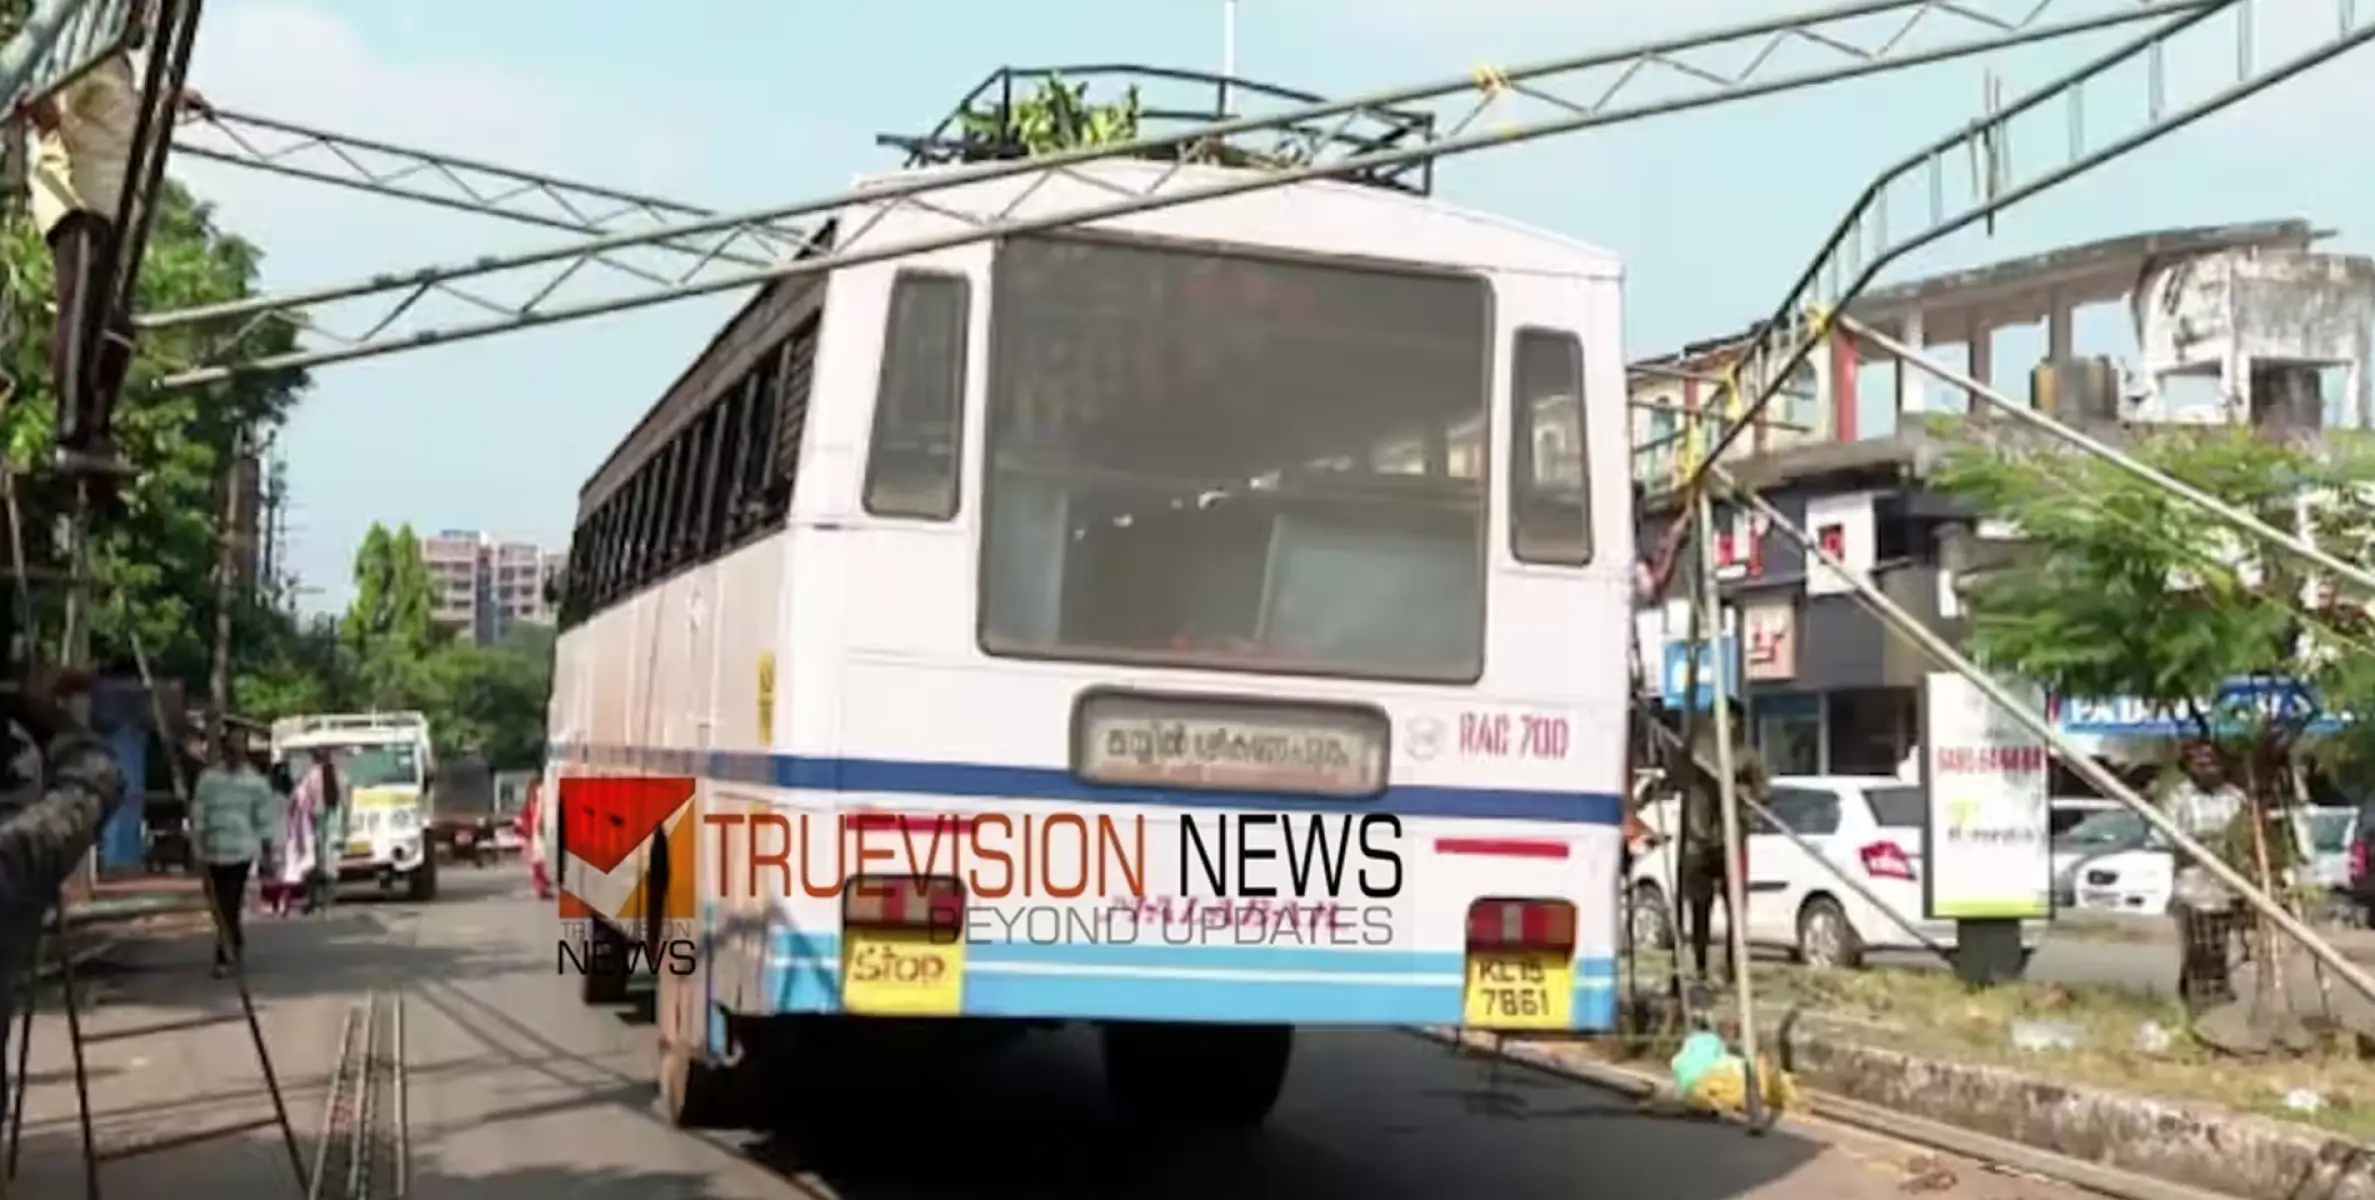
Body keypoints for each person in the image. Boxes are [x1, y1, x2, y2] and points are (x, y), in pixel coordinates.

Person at [16, 0, 209, 474]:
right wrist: (36, 109)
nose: (146, 21)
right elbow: (53, 107)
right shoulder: (93, 57)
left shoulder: (120, 71)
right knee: (80, 308)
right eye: (142, 10)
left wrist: (167, 103)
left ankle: (97, 433)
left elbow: (125, 128)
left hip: (109, 208)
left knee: (115, 329)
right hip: (76, 201)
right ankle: (71, 428)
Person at [1668, 699, 1767, 986]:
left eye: (1733, 719)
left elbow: (1763, 793)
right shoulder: (1697, 748)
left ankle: (1734, 968)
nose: (1728, 724)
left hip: (1731, 840)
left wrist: (1742, 792)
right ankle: (1697, 966)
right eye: (1722, 718)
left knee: (1735, 908)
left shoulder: (1746, 756)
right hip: (1697, 841)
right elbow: (1677, 776)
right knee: (1699, 908)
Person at [2165, 740, 2248, 1012]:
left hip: (2226, 885)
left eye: (2212, 762)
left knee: (2218, 947)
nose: (2207, 768)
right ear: (2188, 767)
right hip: (2192, 884)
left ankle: (2217, 999)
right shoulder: (2179, 797)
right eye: (2199, 763)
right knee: (2197, 948)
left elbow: (2246, 838)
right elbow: (2162, 836)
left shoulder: (2235, 797)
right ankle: (2196, 1000)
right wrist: (2194, 846)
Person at [187, 734, 275, 977]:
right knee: (218, 905)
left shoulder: (255, 783)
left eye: (239, 751)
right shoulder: (209, 780)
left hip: (240, 852)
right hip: (213, 851)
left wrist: (268, 852)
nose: (234, 756)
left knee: (230, 903)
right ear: (224, 753)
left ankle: (225, 954)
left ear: (244, 754)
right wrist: (196, 847)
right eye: (230, 751)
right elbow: (199, 814)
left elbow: (264, 819)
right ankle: (232, 944)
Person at [294, 748, 343, 914]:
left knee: (317, 861)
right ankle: (325, 899)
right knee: (328, 861)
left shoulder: (311, 776)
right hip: (330, 822)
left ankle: (318, 899)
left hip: (316, 822)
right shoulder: (339, 775)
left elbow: (301, 799)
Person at [521, 776, 552, 900]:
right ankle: (541, 886)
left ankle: (541, 886)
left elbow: (539, 812)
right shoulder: (536, 795)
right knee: (537, 860)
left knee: (538, 859)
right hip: (536, 831)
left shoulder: (538, 794)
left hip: (538, 831)